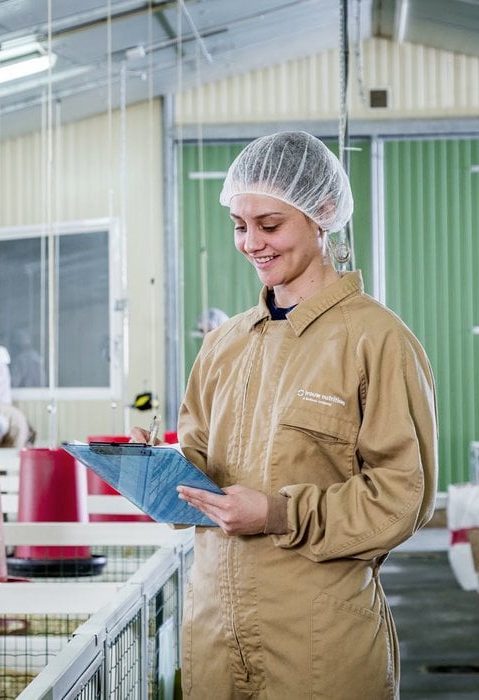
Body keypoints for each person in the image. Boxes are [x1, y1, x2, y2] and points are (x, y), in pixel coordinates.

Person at [131, 131, 437, 699]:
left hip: (318, 640)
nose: (252, 243)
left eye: (269, 225)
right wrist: (155, 471)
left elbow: (402, 496)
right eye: (240, 226)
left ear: (323, 213)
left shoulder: (375, 339)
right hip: (215, 634)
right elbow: (200, 466)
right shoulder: (224, 344)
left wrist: (276, 513)